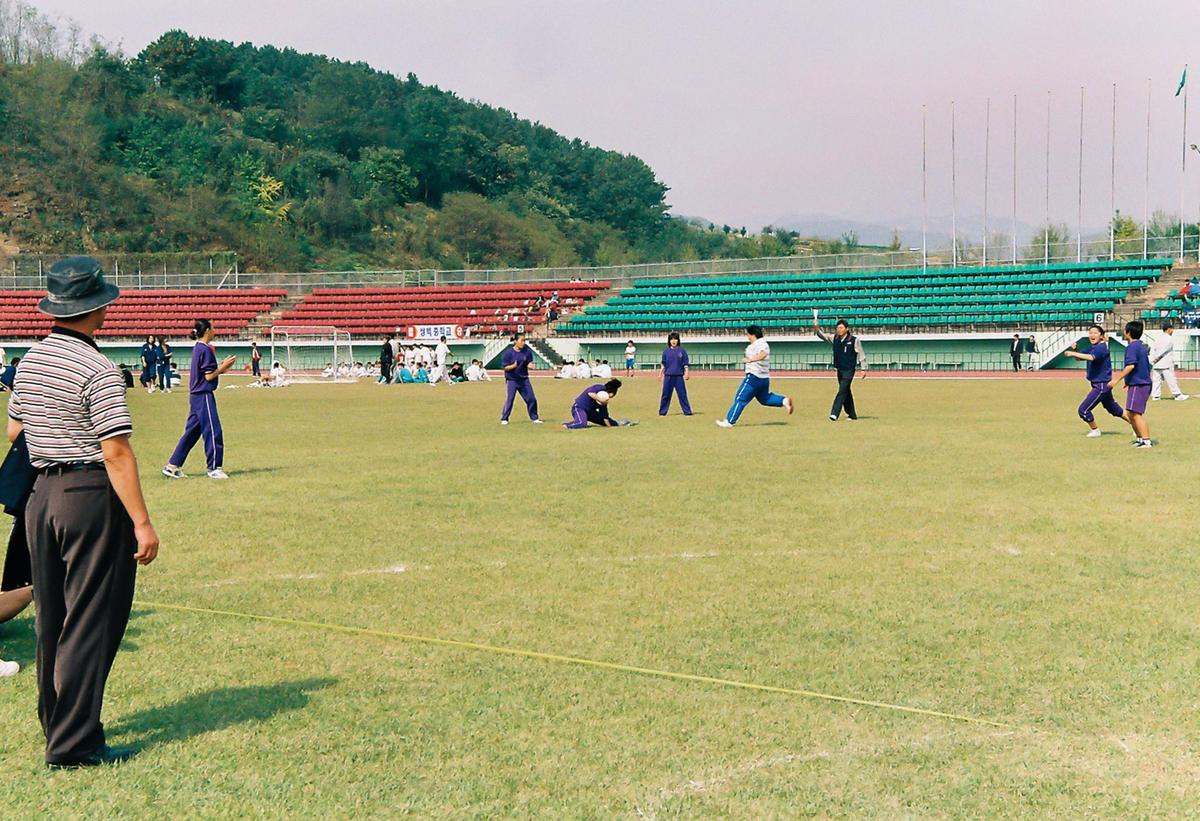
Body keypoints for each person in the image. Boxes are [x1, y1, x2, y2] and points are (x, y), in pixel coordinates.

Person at [9, 256, 159, 767]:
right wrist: (141, 521)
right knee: (92, 617)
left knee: (52, 618)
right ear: (98, 308)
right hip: (89, 495)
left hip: (40, 498)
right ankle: (74, 743)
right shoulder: (97, 367)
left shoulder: (29, 360)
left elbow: (14, 431)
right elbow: (115, 452)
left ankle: (57, 724)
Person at [162, 319, 237, 480]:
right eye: (213, 328)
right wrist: (223, 368)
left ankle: (172, 466)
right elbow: (208, 376)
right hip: (203, 395)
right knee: (213, 430)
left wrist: (220, 367)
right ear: (208, 330)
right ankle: (214, 468)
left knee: (192, 433)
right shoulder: (205, 349)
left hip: (195, 396)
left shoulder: (198, 348)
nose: (215, 330)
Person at [717, 325, 794, 427]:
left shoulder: (761, 344)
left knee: (740, 398)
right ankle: (784, 401)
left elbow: (763, 354)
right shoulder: (755, 345)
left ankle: (729, 421)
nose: (747, 337)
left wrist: (750, 359)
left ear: (752, 334)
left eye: (748, 334)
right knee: (764, 399)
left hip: (753, 378)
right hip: (764, 379)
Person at [1064, 325, 1124, 438]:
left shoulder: (1101, 348)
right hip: (1098, 384)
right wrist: (1075, 350)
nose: (1092, 335)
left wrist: (1073, 353)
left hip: (1101, 385)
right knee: (1114, 409)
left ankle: (1095, 430)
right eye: (1090, 333)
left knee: (1083, 410)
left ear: (1101, 336)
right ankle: (1135, 424)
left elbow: (1092, 357)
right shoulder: (1093, 347)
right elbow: (1081, 358)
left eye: (1095, 333)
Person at [1109, 320, 1154, 448]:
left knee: (1135, 413)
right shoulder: (1141, 346)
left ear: (1128, 332)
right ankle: (1140, 439)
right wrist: (1128, 381)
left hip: (1139, 384)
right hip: (1139, 383)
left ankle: (1146, 441)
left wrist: (1117, 380)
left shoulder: (1132, 347)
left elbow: (1131, 365)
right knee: (1130, 413)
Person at [814, 318, 867, 421]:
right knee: (846, 391)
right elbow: (822, 336)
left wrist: (863, 369)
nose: (839, 329)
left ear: (846, 329)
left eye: (841, 327)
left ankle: (834, 413)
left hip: (849, 370)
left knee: (842, 390)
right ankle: (852, 414)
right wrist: (816, 328)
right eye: (838, 327)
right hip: (839, 369)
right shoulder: (835, 338)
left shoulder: (854, 340)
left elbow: (861, 354)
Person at [500, 332, 541, 425]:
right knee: (510, 399)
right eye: (521, 340)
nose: (523, 342)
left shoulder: (527, 352)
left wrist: (530, 365)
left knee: (531, 398)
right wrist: (513, 366)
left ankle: (534, 418)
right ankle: (504, 418)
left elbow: (529, 362)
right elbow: (505, 367)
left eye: (524, 340)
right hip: (512, 380)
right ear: (515, 341)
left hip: (524, 379)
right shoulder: (508, 353)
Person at [1150, 322, 1190, 402]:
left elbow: (1153, 349)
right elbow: (1164, 350)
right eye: (1172, 330)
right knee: (1171, 379)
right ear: (1169, 330)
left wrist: (1153, 359)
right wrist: (1156, 358)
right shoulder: (1169, 339)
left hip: (1156, 364)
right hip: (1165, 363)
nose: (1172, 331)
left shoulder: (1158, 338)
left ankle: (1155, 396)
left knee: (1157, 380)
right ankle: (1177, 395)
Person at [659, 332, 692, 416]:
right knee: (666, 394)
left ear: (678, 340)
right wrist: (660, 374)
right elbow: (663, 364)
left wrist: (687, 372)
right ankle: (662, 412)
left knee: (682, 394)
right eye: (672, 339)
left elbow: (685, 363)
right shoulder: (666, 351)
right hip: (668, 376)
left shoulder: (682, 351)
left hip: (679, 376)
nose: (673, 341)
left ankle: (687, 412)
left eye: (675, 339)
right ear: (669, 340)